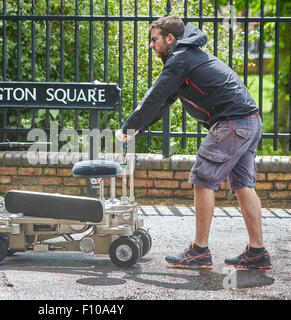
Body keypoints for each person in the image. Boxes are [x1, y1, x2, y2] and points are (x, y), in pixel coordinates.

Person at [115, 16, 272, 269]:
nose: (151, 46)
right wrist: (136, 129)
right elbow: (164, 101)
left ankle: (199, 251)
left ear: (170, 39)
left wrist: (127, 128)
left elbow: (155, 95)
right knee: (243, 184)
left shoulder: (181, 58)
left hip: (231, 123)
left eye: (154, 40)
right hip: (249, 121)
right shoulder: (187, 56)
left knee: (202, 179)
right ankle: (258, 251)